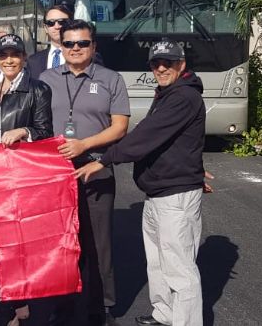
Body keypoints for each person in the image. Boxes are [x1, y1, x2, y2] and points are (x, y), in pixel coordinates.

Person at [76, 39, 207, 326]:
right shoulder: (169, 93)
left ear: (181, 65)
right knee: (159, 262)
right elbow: (181, 142)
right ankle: (164, 314)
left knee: (180, 270)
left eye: (168, 63)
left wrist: (104, 160)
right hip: (161, 191)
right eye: (155, 63)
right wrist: (196, 169)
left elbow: (146, 136)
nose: (161, 68)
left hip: (175, 195)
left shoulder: (183, 97)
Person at [39, 20, 130, 326]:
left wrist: (84, 145)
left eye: (82, 43)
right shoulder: (46, 78)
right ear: (60, 46)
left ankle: (101, 308)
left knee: (97, 243)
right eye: (69, 44)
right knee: (61, 242)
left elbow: (120, 127)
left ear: (94, 46)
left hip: (95, 168)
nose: (75, 49)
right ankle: (62, 306)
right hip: (56, 173)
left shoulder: (110, 79)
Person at [0, 33, 52, 326]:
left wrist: (24, 132)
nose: (8, 60)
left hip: (18, 175)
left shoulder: (38, 89)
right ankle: (0, 295)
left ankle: (20, 300)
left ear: (24, 58)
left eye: (14, 54)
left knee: (17, 240)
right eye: (3, 55)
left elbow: (45, 132)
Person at [27, 5, 72, 79]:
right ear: (45, 28)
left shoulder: (81, 57)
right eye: (51, 23)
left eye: (62, 22)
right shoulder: (33, 61)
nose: (57, 27)